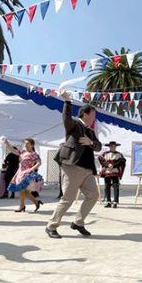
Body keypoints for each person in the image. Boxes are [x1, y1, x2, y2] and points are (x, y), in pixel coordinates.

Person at [46, 92, 101, 238]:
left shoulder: (90, 131)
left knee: (93, 195)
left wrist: (91, 143)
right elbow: (66, 118)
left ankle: (78, 222)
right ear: (85, 114)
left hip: (87, 170)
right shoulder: (74, 125)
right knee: (68, 199)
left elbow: (98, 146)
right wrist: (68, 102)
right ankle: (51, 225)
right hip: (72, 167)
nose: (95, 117)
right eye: (93, 114)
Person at [9, 138, 44, 213]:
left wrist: (32, 168)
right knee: (25, 192)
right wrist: (6, 143)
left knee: (22, 190)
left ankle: (21, 206)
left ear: (32, 145)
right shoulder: (22, 152)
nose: (26, 145)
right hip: (20, 173)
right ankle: (36, 202)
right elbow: (12, 150)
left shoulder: (34, 154)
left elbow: (39, 162)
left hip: (27, 174)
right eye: (25, 143)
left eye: (27, 143)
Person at [98, 141, 126, 208]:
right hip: (107, 172)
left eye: (114, 146)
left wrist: (114, 165)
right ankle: (108, 202)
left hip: (115, 172)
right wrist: (108, 164)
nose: (112, 147)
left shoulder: (119, 154)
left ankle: (115, 202)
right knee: (107, 187)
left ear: (115, 147)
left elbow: (122, 161)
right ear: (109, 147)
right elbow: (101, 160)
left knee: (116, 187)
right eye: (111, 146)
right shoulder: (105, 154)